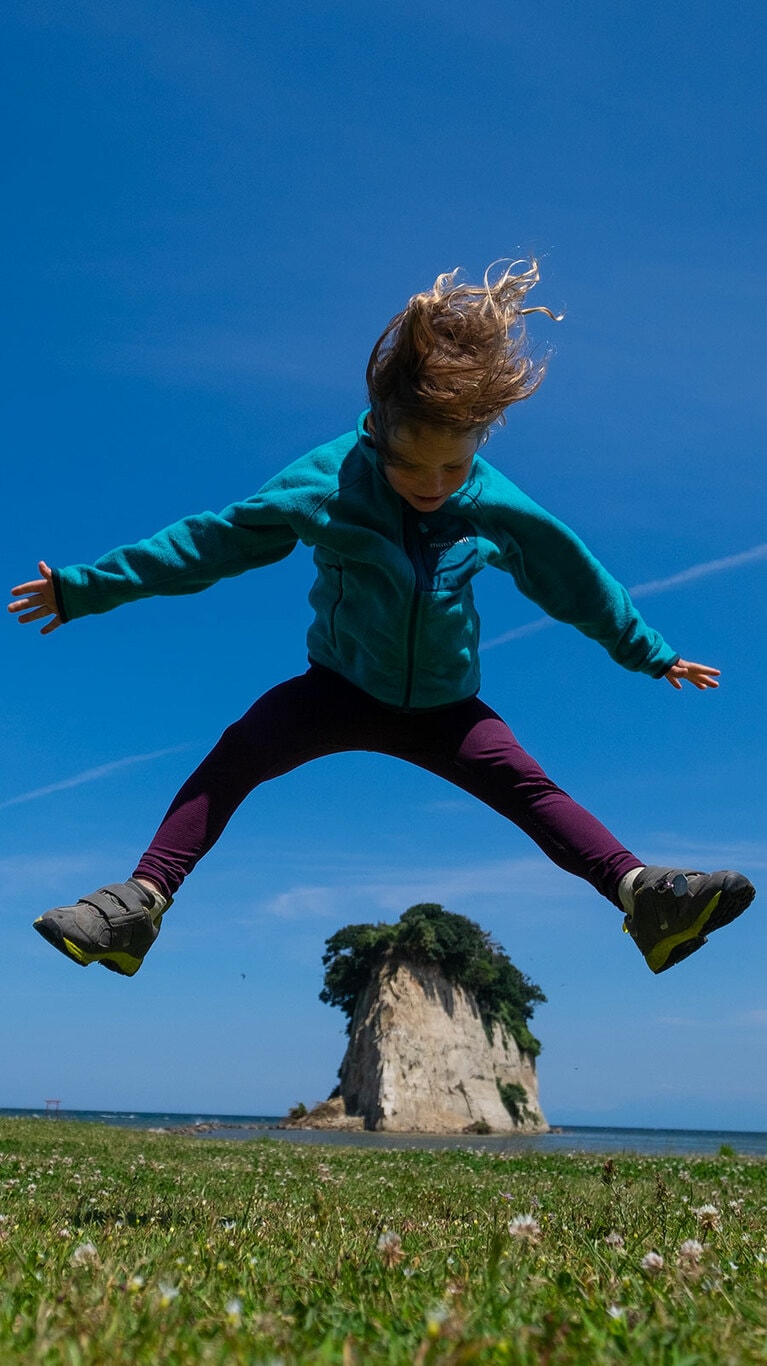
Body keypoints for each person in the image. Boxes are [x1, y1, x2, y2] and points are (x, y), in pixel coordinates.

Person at [8, 261, 755, 979]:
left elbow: (574, 579)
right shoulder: (325, 483)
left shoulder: (494, 502)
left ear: (478, 447)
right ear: (376, 432)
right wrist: (83, 590)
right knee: (235, 757)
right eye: (410, 466)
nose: (433, 486)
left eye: (452, 469)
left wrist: (649, 652)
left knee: (533, 791)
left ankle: (644, 901)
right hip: (334, 689)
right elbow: (209, 544)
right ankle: (137, 908)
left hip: (446, 709)